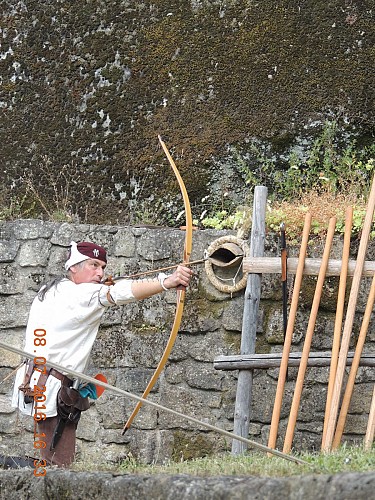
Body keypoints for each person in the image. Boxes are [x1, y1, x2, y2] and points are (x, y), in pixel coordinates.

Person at [11, 241, 192, 468]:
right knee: (57, 468)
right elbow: (121, 292)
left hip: (35, 381)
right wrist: (168, 281)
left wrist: (100, 287)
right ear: (73, 267)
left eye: (103, 267)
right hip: (51, 388)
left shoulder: (50, 290)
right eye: (93, 265)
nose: (100, 272)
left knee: (49, 463)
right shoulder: (83, 294)